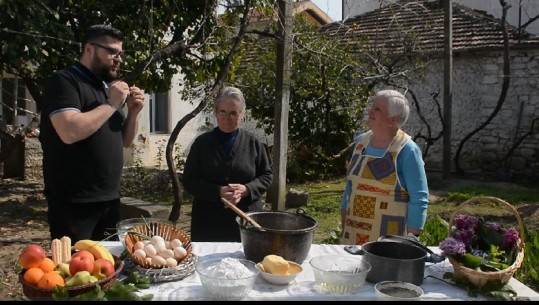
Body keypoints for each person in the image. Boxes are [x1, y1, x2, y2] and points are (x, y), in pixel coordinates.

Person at [39, 24, 145, 243]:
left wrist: (133, 113)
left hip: (110, 201)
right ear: (89, 49)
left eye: (121, 53)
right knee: (77, 273)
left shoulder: (106, 89)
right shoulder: (65, 81)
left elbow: (124, 141)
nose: (119, 59)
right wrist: (112, 103)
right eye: (112, 52)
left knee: (110, 269)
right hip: (74, 204)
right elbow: (68, 131)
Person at [183, 86, 273, 242]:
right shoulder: (202, 144)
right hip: (208, 224)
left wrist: (247, 189)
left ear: (242, 115)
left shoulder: (253, 143)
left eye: (233, 113)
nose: (227, 118)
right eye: (223, 112)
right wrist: (218, 191)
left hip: (245, 223)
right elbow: (189, 180)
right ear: (216, 113)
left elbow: (266, 175)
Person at [340, 89, 429, 245]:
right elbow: (350, 185)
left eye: (377, 109)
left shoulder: (407, 150)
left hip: (389, 244)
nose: (370, 111)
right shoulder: (361, 142)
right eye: (372, 106)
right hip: (353, 236)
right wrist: (343, 215)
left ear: (392, 120)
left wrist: (412, 238)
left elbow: (419, 198)